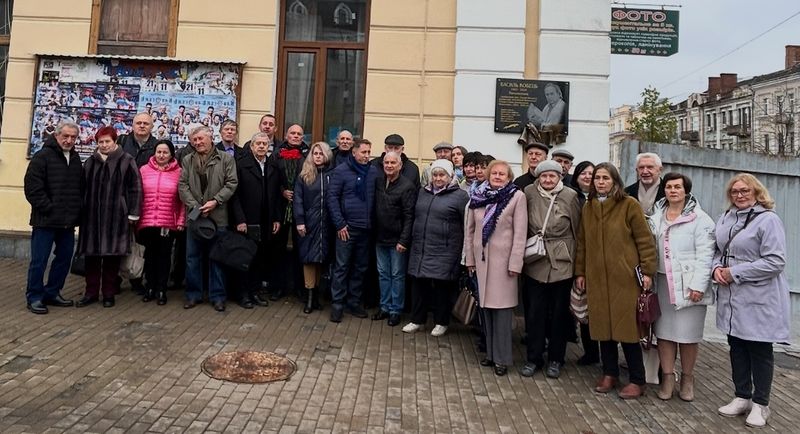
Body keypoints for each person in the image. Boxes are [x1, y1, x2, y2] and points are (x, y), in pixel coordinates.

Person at [713, 173, 790, 428]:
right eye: (735, 191)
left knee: (759, 350)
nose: (740, 195)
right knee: (736, 345)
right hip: (732, 297)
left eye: (745, 191)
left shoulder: (769, 220)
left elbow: (775, 261)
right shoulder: (726, 217)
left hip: (758, 295)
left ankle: (761, 404)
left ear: (757, 193)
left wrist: (734, 273)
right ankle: (742, 395)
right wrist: (716, 269)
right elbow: (717, 250)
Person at [575, 162, 656, 399]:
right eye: (597, 178)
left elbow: (645, 240)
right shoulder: (588, 207)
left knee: (627, 329)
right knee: (602, 328)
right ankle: (609, 373)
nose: (600, 182)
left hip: (625, 278)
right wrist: (580, 272)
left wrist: (648, 271)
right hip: (597, 277)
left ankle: (637, 380)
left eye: (605, 178)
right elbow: (583, 243)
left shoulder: (629, 205)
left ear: (615, 182)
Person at [647, 172, 715, 401]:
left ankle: (687, 378)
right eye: (668, 187)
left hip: (688, 286)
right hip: (662, 283)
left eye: (677, 187)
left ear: (686, 190)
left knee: (688, 336)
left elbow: (706, 256)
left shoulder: (701, 219)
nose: (673, 191)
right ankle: (667, 376)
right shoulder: (656, 215)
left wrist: (698, 285)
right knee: (664, 334)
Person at [519, 160, 581, 379]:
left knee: (559, 314)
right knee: (535, 313)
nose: (547, 180)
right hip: (536, 259)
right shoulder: (528, 192)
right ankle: (533, 358)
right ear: (538, 177)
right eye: (543, 176)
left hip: (562, 261)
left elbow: (577, 230)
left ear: (559, 177)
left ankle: (556, 359)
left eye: (552, 176)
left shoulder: (570, 196)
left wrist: (577, 265)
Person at [464, 160, 527, 376]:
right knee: (486, 310)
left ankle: (502, 359)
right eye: (494, 173)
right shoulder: (478, 197)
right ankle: (490, 355)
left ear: (509, 177)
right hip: (481, 263)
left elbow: (520, 233)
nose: (498, 176)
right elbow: (470, 231)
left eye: (503, 174)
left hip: (504, 264)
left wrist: (515, 263)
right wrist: (469, 259)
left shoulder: (516, 197)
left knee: (501, 313)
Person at [76, 127, 142, 308]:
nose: (104, 145)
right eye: (101, 142)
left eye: (107, 141)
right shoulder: (90, 162)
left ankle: (108, 294)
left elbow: (135, 188)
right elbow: (82, 189)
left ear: (115, 142)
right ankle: (91, 293)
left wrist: (133, 213)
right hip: (91, 217)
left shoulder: (127, 161)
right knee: (92, 258)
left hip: (116, 217)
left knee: (112, 258)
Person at [403, 160, 469, 337]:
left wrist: (463, 251)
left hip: (446, 249)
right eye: (435, 175)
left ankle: (441, 322)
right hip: (421, 247)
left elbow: (466, 225)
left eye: (442, 175)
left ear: (450, 176)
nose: (438, 178)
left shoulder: (460, 196)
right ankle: (417, 320)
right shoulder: (423, 192)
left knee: (442, 288)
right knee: (418, 285)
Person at [23, 121, 83, 314]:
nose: (69, 140)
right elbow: (33, 189)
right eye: (65, 136)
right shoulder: (42, 157)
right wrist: (48, 208)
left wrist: (76, 212)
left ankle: (52, 292)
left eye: (73, 137)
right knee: (39, 261)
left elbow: (79, 189)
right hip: (45, 221)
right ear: (56, 135)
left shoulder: (74, 159)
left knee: (64, 258)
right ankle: (34, 296)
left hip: (67, 222)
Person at [178, 126, 238, 312]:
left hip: (218, 216)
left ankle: (218, 296)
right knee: (192, 258)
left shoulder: (226, 159)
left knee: (217, 258)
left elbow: (231, 183)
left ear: (211, 138)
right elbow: (183, 185)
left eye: (201, 139)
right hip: (195, 217)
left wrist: (215, 201)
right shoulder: (188, 159)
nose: (197, 143)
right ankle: (193, 295)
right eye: (194, 140)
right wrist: (195, 205)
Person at [327, 138, 380, 322]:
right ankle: (337, 305)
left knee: (360, 267)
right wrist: (340, 224)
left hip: (365, 228)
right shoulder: (341, 171)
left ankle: (354, 302)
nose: (367, 156)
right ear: (354, 152)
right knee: (341, 267)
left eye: (368, 152)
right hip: (346, 229)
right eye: (364, 152)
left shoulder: (373, 172)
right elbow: (332, 198)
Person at [230, 132, 281, 309]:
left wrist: (276, 218)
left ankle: (255, 291)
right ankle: (243, 294)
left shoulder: (272, 165)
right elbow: (234, 196)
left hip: (266, 220)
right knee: (245, 257)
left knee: (260, 258)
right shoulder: (241, 165)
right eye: (258, 143)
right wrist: (240, 219)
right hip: (247, 220)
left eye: (264, 144)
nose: (261, 146)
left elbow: (275, 195)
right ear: (251, 146)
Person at [137, 139, 185, 305]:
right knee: (149, 256)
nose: (161, 155)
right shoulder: (143, 170)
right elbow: (137, 195)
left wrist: (180, 220)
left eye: (165, 152)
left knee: (164, 257)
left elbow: (182, 201)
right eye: (159, 152)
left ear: (171, 154)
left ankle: (161, 289)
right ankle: (149, 287)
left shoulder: (179, 172)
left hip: (167, 223)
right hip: (147, 221)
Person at [372, 151, 416, 326]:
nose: (389, 165)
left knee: (397, 275)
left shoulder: (407, 186)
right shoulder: (379, 182)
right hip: (380, 238)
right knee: (383, 274)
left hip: (397, 240)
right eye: (386, 162)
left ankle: (396, 310)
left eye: (393, 163)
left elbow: (409, 216)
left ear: (400, 165)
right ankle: (384, 307)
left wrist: (403, 240)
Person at [268, 124, 310, 300]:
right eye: (292, 133)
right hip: (281, 206)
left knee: (301, 248)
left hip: (302, 207)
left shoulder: (308, 154)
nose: (295, 136)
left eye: (299, 134)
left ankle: (300, 287)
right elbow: (270, 179)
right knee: (278, 248)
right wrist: (282, 191)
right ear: (286, 135)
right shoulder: (277, 154)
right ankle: (278, 286)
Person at [119, 112, 158, 295]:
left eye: (146, 123)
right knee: (119, 241)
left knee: (142, 244)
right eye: (138, 123)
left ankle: (137, 279)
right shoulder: (121, 143)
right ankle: (115, 279)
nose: (142, 126)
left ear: (152, 126)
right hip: (121, 200)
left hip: (147, 202)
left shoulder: (157, 146)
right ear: (132, 125)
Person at [293, 142, 334, 314]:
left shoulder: (332, 175)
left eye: (321, 153)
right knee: (309, 259)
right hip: (309, 222)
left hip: (327, 223)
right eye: (315, 153)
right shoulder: (304, 175)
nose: (318, 156)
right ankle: (309, 298)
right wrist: (300, 221)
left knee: (321, 259)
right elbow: (298, 199)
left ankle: (317, 296)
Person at [566, 160, 598, 365]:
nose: (587, 176)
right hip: (574, 256)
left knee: (596, 309)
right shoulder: (572, 198)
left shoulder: (601, 199)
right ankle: (589, 350)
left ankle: (597, 351)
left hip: (597, 260)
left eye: (591, 174)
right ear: (576, 176)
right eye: (583, 173)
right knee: (580, 306)